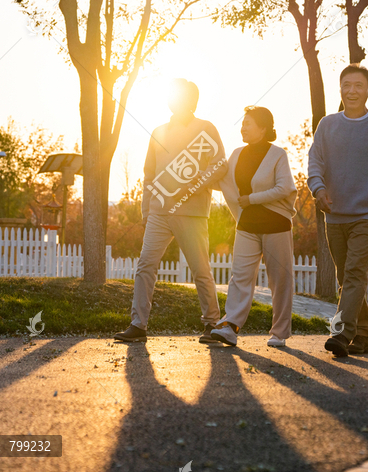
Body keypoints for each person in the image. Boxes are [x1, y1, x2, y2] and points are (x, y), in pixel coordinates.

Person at [114, 79, 227, 343]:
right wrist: (146, 209)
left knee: (200, 269)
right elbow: (149, 174)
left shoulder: (206, 128)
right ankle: (138, 325)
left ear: (191, 101)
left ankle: (212, 324)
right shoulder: (158, 131)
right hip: (159, 212)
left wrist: (195, 181)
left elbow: (220, 164)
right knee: (145, 266)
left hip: (192, 212)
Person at [307, 64, 368, 358]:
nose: (352, 91)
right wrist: (318, 189)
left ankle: (342, 333)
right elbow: (315, 162)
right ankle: (362, 334)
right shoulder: (327, 125)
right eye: (347, 85)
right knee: (345, 277)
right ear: (340, 89)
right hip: (334, 213)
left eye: (358, 85)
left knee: (354, 272)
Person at [211, 106, 297, 348]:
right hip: (247, 224)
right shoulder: (237, 154)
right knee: (239, 276)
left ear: (263, 127)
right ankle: (231, 326)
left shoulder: (277, 154)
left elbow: (285, 188)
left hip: (276, 224)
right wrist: (201, 174)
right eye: (242, 123)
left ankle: (279, 332)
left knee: (280, 279)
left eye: (248, 123)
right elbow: (224, 182)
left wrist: (252, 199)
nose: (243, 127)